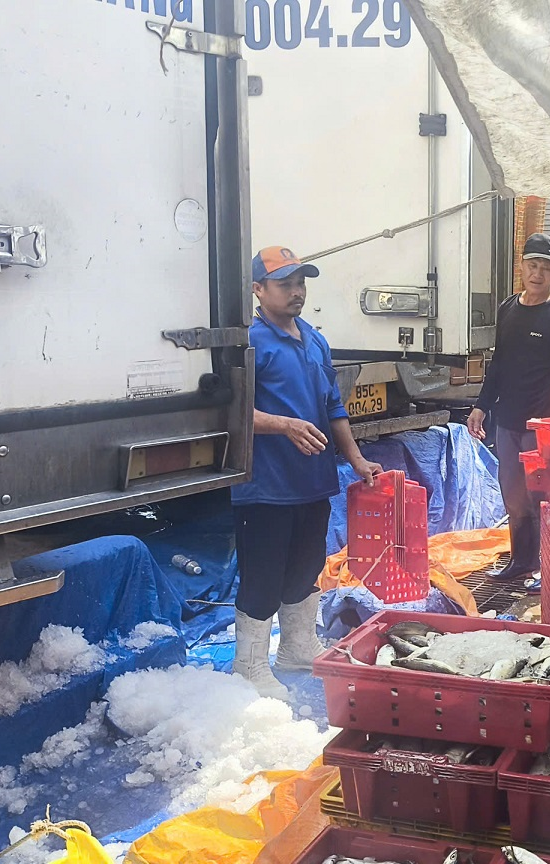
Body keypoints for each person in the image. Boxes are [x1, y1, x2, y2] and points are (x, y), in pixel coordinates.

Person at [232, 246, 382, 699]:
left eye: (300, 283)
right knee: (263, 576)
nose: (296, 292)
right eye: (285, 284)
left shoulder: (314, 339)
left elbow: (334, 407)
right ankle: (249, 666)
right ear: (258, 290)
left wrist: (356, 459)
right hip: (265, 487)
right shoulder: (249, 342)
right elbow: (231, 412)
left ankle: (297, 648)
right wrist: (284, 425)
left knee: (306, 568)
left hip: (312, 483)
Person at [467, 233, 550, 581]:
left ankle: (548, 570)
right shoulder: (508, 308)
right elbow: (498, 363)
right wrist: (481, 406)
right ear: (522, 266)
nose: (538, 273)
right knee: (514, 497)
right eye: (533, 265)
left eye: (546, 268)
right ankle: (522, 562)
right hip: (508, 423)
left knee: (543, 499)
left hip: (542, 428)